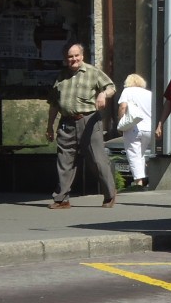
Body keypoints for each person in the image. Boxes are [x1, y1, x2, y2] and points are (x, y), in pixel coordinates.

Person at [45, 43, 117, 209]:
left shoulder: (92, 72)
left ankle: (109, 194)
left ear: (82, 56)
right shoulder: (61, 76)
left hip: (89, 121)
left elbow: (111, 87)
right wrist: (50, 126)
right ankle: (61, 199)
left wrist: (103, 94)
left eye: (76, 55)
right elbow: (54, 103)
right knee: (64, 161)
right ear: (65, 59)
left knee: (97, 160)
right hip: (66, 123)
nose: (73, 59)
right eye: (70, 57)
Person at [118, 73, 152, 189]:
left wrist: (121, 122)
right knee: (141, 155)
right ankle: (144, 179)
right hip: (148, 128)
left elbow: (123, 107)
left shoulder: (127, 91)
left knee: (133, 155)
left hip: (133, 127)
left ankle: (139, 182)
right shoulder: (149, 94)